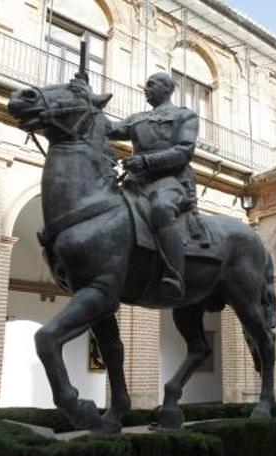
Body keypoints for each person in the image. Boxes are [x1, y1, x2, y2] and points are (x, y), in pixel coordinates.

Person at [106, 72, 199, 300]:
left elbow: (184, 151)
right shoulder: (137, 118)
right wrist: (87, 102)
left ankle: (174, 276)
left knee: (161, 208)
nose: (145, 88)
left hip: (171, 182)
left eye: (151, 84)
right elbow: (109, 130)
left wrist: (146, 160)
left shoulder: (184, 116)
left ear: (167, 89)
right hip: (136, 183)